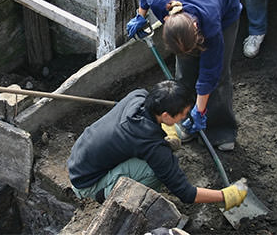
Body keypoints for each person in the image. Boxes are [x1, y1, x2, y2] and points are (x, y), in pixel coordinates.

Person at [67, 80, 247, 210]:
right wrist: (226, 195)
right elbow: (186, 193)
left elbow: (161, 128)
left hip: (79, 159)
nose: (186, 117)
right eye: (183, 113)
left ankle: (113, 181)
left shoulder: (138, 95)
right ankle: (116, 198)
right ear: (166, 115)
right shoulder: (152, 146)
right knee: (153, 171)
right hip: (87, 183)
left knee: (174, 131)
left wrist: (169, 132)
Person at [126, 0, 242, 151]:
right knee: (185, 72)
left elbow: (210, 72)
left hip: (224, 3)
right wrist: (141, 15)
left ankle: (220, 131)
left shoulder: (211, 25)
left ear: (196, 28)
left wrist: (201, 110)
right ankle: (186, 120)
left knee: (218, 78)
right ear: (166, 20)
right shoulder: (158, 0)